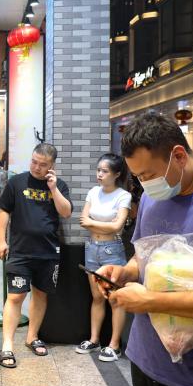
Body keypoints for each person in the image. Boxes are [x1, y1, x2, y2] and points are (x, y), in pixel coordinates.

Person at [97, 112, 193, 386]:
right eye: (137, 176)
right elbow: (143, 258)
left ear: (179, 156)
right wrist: (125, 272)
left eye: (148, 175)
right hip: (144, 359)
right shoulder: (153, 197)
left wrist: (150, 301)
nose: (145, 184)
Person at [0, 143, 73, 368]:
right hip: (20, 251)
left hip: (48, 252)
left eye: (43, 164)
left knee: (40, 295)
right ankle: (7, 345)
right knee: (16, 296)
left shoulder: (59, 185)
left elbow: (66, 212)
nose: (37, 167)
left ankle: (32, 337)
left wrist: (53, 189)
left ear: (52, 165)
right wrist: (1, 240)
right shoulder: (16, 182)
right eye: (34, 161)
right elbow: (3, 212)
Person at [76, 154, 131, 362]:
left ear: (116, 174)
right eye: (98, 170)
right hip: (92, 248)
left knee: (114, 298)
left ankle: (114, 345)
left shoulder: (123, 196)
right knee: (97, 297)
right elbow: (83, 220)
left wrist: (93, 223)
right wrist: (102, 225)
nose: (99, 174)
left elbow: (117, 226)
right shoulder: (93, 192)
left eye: (105, 171)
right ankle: (94, 339)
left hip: (112, 250)